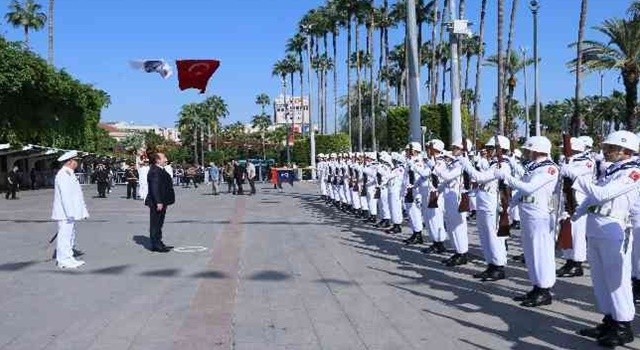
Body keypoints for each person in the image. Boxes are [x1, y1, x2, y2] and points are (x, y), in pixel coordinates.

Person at [573, 131, 640, 347]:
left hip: (614, 228)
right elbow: (594, 198)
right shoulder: (612, 170)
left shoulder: (633, 172)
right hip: (596, 226)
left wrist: (578, 177)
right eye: (607, 147)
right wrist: (577, 213)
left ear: (626, 151)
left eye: (611, 148)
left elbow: (603, 195)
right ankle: (609, 319)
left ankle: (623, 326)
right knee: (600, 279)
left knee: (616, 281)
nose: (606, 151)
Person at [51, 151, 89, 269]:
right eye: (76, 160)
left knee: (70, 236)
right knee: (64, 236)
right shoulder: (63, 175)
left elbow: (76, 195)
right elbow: (65, 196)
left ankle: (69, 257)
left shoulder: (69, 173)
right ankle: (63, 260)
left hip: (69, 213)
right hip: (65, 213)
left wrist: (82, 211)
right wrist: (70, 213)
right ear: (70, 161)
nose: (77, 163)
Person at [145, 152, 175, 253]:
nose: (166, 159)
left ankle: (158, 242)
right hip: (157, 202)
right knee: (155, 223)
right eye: (164, 157)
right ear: (157, 160)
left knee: (159, 223)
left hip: (162, 201)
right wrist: (158, 202)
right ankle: (156, 244)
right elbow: (154, 188)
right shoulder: (154, 171)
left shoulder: (160, 169)